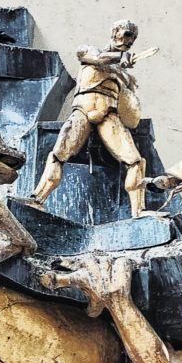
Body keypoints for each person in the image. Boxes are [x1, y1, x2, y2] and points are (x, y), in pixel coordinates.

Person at [31, 20, 151, 217]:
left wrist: (127, 80)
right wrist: (120, 57)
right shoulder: (87, 51)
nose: (130, 41)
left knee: (136, 161)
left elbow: (130, 110)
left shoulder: (125, 75)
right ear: (114, 32)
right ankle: (37, 199)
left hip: (109, 115)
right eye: (127, 34)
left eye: (134, 38)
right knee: (58, 154)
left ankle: (139, 211)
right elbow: (99, 58)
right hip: (83, 111)